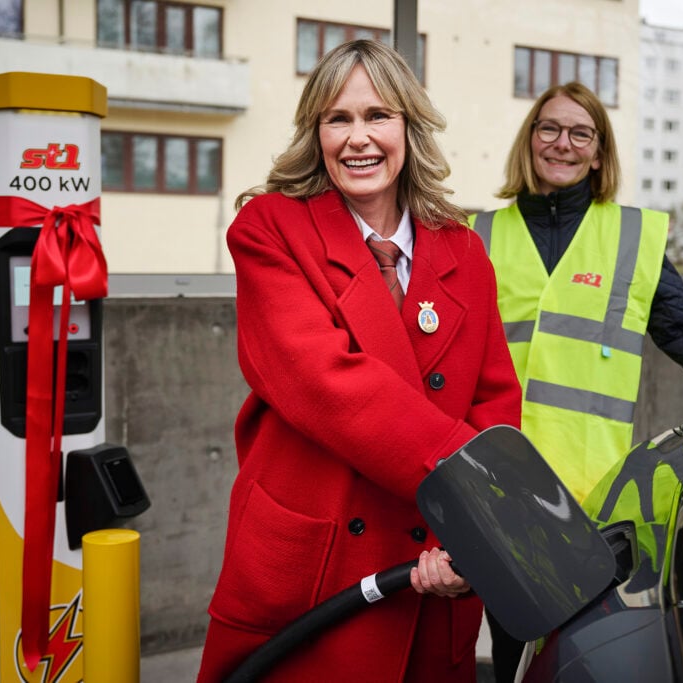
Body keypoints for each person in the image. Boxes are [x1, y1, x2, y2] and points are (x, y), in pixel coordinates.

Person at [196, 40, 522, 683]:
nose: (357, 138)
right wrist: (474, 494)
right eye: (337, 119)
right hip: (319, 571)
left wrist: (469, 538)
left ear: (409, 126)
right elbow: (327, 385)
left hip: (432, 563)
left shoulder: (463, 248)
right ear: (315, 133)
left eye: (377, 116)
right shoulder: (269, 228)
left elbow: (493, 399)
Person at [469, 81, 683, 682]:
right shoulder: (477, 236)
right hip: (498, 486)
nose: (562, 143)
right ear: (529, 139)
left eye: (580, 133)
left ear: (599, 152)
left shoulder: (633, 240)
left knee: (583, 653)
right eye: (549, 128)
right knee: (515, 648)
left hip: (593, 496)